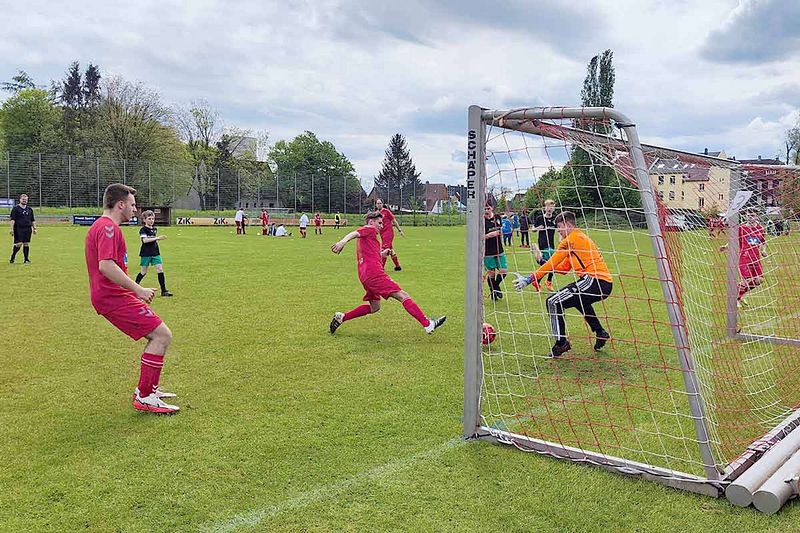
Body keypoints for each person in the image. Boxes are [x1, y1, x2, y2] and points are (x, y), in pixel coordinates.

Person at [84, 184, 178, 414]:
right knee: (161, 335)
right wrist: (138, 289)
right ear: (121, 204)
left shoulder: (102, 226)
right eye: (133, 205)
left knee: (158, 334)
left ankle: (147, 390)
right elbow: (105, 266)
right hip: (112, 297)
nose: (135, 210)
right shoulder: (108, 229)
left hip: (112, 295)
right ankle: (145, 396)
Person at [513, 210, 613, 358]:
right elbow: (563, 268)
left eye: (559, 227)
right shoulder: (578, 238)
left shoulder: (571, 239)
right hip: (603, 283)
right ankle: (600, 332)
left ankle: (561, 344)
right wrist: (540, 260)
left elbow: (554, 261)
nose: (558, 230)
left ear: (567, 224)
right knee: (579, 300)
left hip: (594, 281)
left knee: (553, 301)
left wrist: (529, 279)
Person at [329, 211, 446, 335]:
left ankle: (342, 317)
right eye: (379, 223)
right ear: (371, 222)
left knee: (375, 307)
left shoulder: (368, 238)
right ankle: (428, 324)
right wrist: (342, 242)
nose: (382, 226)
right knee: (403, 295)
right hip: (374, 274)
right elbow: (354, 233)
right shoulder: (370, 229)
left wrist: (382, 254)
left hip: (365, 276)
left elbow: (370, 254)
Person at [720, 208, 766, 307]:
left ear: (756, 216)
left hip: (756, 259)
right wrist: (726, 246)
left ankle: (741, 295)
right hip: (744, 258)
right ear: (745, 216)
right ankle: (735, 299)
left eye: (752, 215)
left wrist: (763, 250)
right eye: (748, 215)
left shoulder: (760, 228)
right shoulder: (742, 228)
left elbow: (763, 241)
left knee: (759, 280)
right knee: (747, 281)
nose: (750, 217)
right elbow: (734, 239)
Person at [134, 210, 173, 297]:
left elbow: (153, 240)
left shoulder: (155, 229)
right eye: (149, 219)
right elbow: (145, 240)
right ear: (144, 219)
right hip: (146, 253)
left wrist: (156, 239)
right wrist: (157, 238)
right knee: (143, 272)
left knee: (160, 269)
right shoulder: (143, 230)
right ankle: (134, 288)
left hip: (155, 252)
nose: (151, 220)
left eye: (153, 219)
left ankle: (164, 291)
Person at [532, 199, 559, 291]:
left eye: (551, 207)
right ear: (545, 208)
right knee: (552, 264)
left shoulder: (555, 219)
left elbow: (559, 230)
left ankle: (537, 280)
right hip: (543, 244)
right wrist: (538, 228)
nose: (549, 209)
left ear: (554, 208)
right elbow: (532, 229)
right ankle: (548, 282)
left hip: (551, 244)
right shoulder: (540, 218)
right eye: (548, 207)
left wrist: (560, 240)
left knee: (547, 265)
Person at [484, 202, 507, 301]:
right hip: (487, 251)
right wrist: (490, 235)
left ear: (492, 208)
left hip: (499, 249)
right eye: (484, 209)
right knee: (492, 274)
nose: (486, 211)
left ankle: (496, 288)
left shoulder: (497, 217)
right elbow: (480, 237)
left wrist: (499, 232)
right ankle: (492, 291)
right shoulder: (481, 221)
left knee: (504, 271)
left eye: (488, 208)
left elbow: (501, 230)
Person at [375, 198, 404, 271]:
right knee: (390, 250)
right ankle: (397, 266)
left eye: (380, 203)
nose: (379, 205)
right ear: (376, 205)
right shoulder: (376, 214)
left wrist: (399, 230)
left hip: (388, 233)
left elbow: (394, 221)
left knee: (385, 249)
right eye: (377, 203)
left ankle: (381, 267)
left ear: (382, 204)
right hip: (382, 234)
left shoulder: (386, 212)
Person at [9, 193, 36, 264]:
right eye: (23, 199)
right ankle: (13, 256)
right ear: (20, 199)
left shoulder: (29, 209)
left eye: (26, 200)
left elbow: (32, 219)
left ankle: (26, 259)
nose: (24, 201)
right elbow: (12, 220)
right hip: (18, 229)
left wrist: (34, 228)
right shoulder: (15, 209)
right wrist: (11, 229)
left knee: (26, 243)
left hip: (28, 229)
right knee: (19, 244)